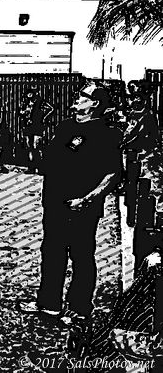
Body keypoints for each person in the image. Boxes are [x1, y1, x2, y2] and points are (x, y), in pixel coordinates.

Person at [18, 82, 123, 325]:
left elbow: (113, 173)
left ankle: (79, 308)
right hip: (54, 201)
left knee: (81, 255)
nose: (77, 98)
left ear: (95, 103)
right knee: (51, 252)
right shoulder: (66, 126)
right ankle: (49, 303)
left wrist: (88, 199)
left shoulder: (106, 133)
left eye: (83, 95)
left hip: (82, 205)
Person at [19, 87, 54, 174]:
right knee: (29, 146)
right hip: (27, 126)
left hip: (37, 126)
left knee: (36, 146)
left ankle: (41, 167)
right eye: (28, 92)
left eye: (31, 92)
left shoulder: (40, 101)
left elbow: (51, 109)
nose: (29, 94)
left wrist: (43, 118)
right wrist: (23, 112)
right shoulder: (25, 102)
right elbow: (20, 111)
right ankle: (31, 167)